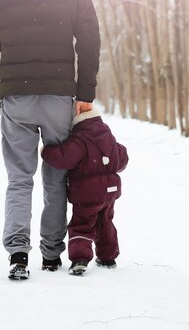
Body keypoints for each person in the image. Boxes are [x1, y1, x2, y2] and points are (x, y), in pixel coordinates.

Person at [0, 0, 101, 280]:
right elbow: (90, 38)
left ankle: (17, 253)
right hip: (60, 96)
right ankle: (50, 254)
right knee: (57, 176)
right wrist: (85, 92)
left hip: (16, 95)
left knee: (19, 177)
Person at [41, 106, 128, 276]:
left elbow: (64, 158)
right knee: (105, 223)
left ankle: (80, 259)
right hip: (109, 192)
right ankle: (108, 257)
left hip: (87, 195)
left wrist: (46, 152)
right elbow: (122, 158)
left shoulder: (80, 139)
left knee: (82, 225)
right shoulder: (107, 136)